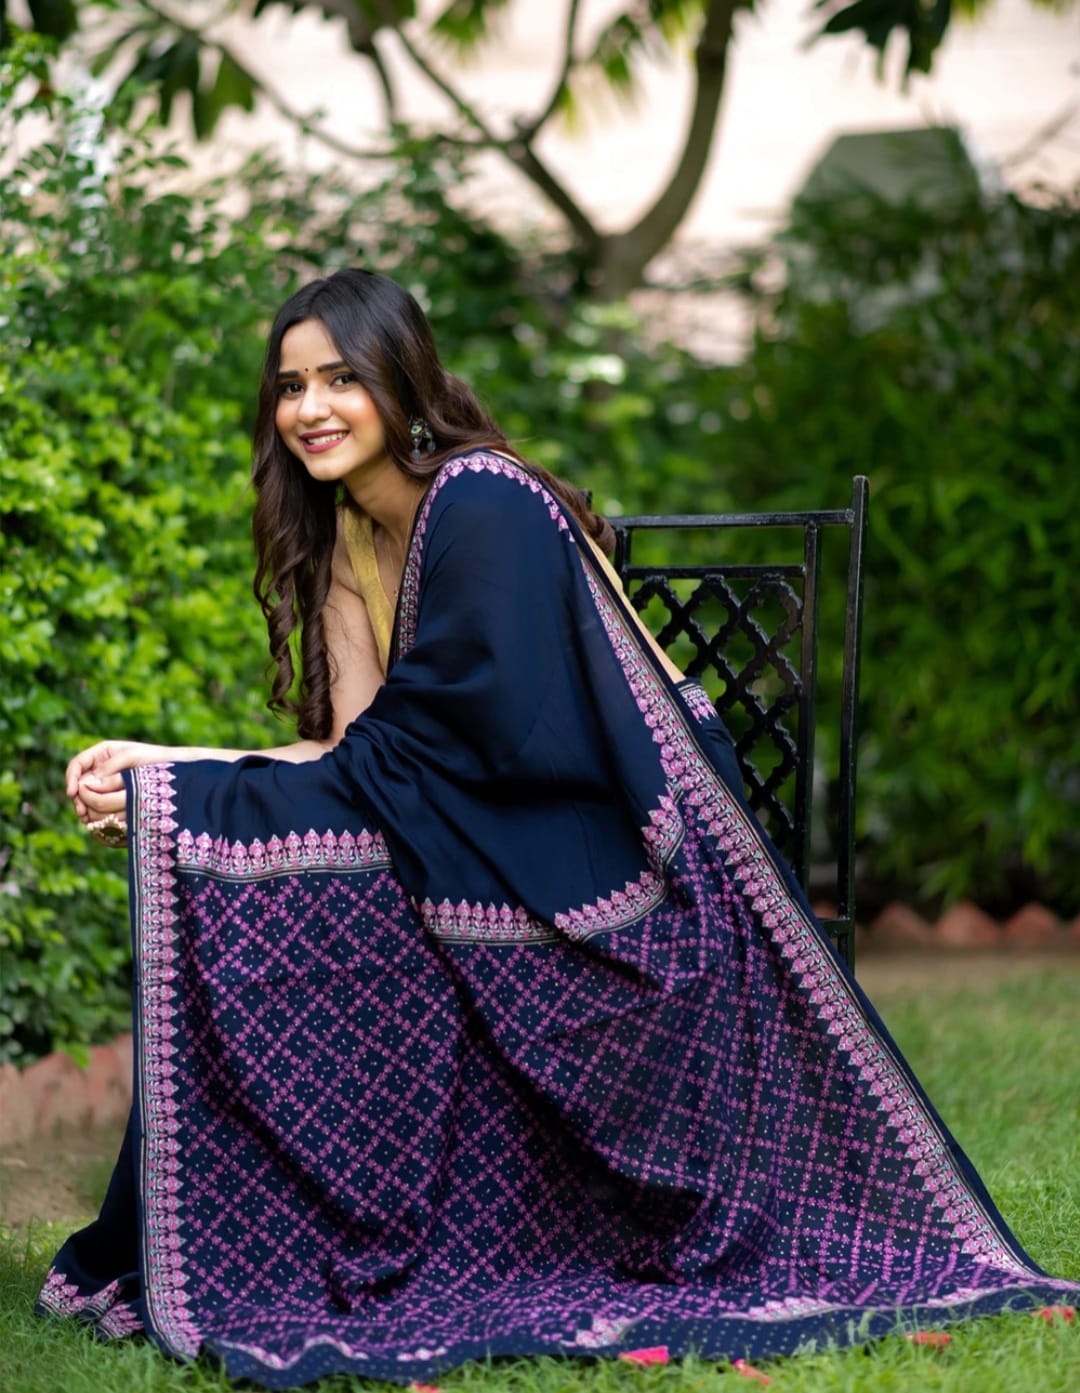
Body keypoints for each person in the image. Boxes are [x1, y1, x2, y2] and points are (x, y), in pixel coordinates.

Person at [39, 269, 1077, 1388]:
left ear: (403, 382)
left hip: (624, 833)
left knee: (345, 892)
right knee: (278, 873)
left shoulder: (485, 502)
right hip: (487, 812)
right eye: (290, 386)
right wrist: (167, 771)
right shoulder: (349, 543)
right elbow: (363, 760)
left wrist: (191, 791)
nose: (312, 408)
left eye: (341, 377)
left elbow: (475, 746)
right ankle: (285, 1225)